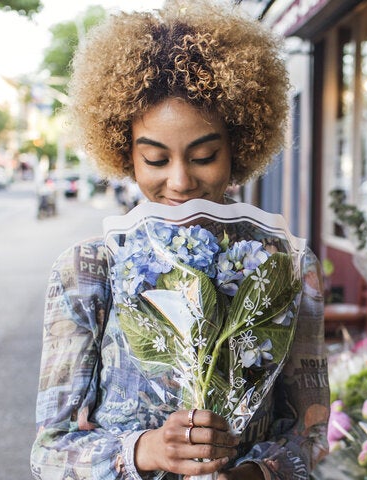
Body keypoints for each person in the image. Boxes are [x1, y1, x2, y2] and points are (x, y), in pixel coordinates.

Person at [30, 1, 330, 479]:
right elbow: (50, 452)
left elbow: (311, 436)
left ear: (239, 146)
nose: (180, 181)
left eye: (204, 155)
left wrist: (252, 474)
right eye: (155, 159)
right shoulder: (89, 268)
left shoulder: (289, 265)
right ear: (124, 154)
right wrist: (147, 450)